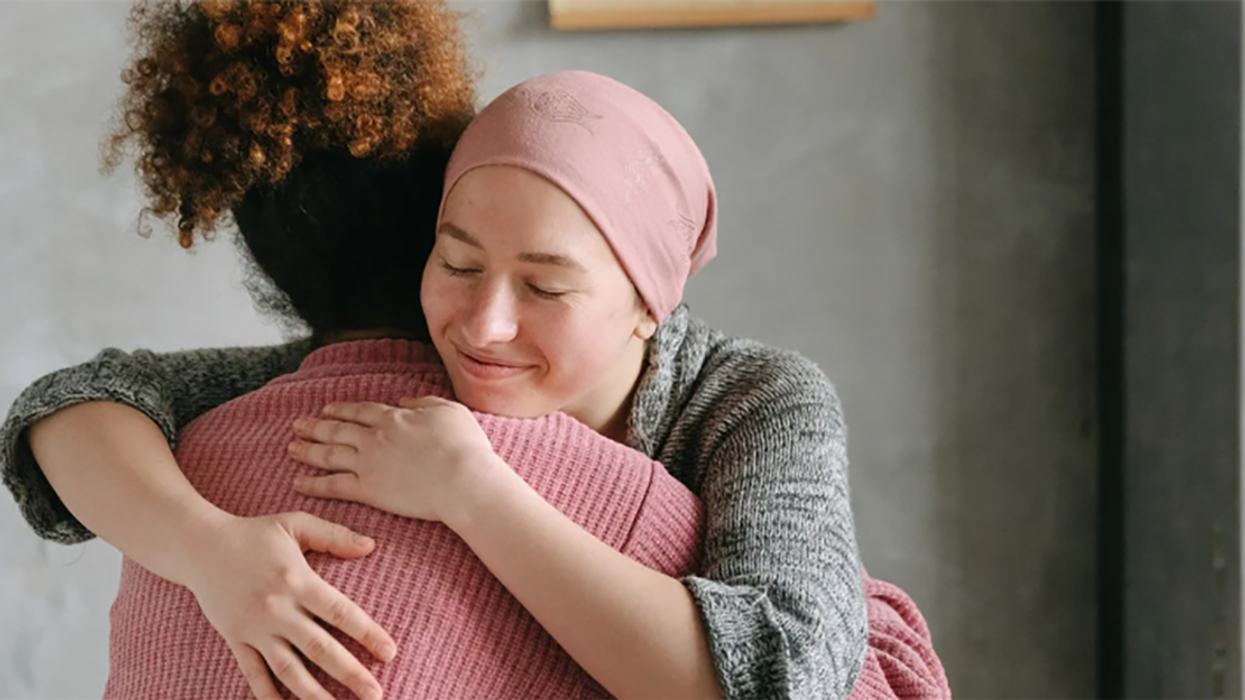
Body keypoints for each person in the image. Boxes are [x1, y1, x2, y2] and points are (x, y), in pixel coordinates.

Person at [2, 6, 873, 699]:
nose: (483, 323)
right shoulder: (419, 349)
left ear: (649, 301)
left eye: (544, 286)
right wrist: (211, 550)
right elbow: (75, 404)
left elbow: (785, 676)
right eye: (457, 263)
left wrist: (476, 494)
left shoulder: (752, 399)